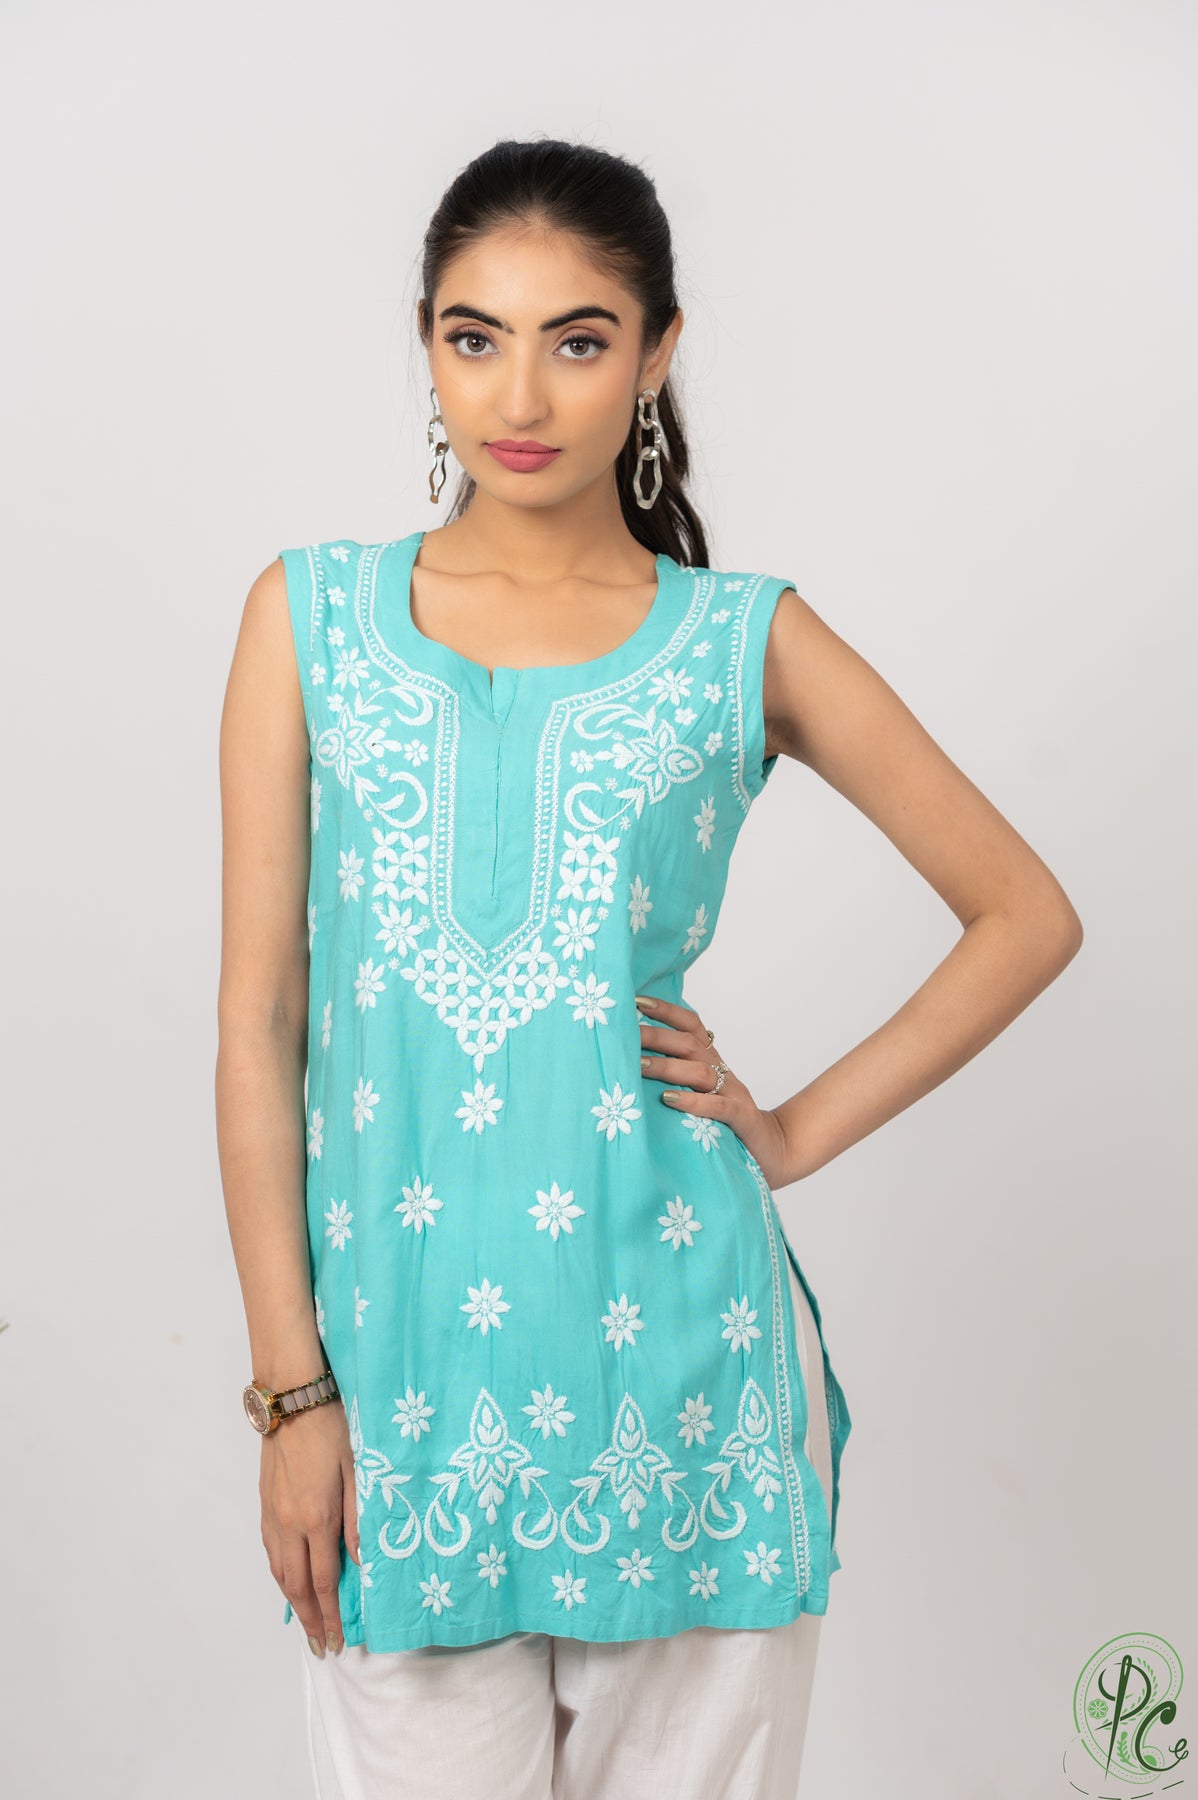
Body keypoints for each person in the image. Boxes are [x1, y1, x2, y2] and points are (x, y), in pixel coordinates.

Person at [216, 137, 1084, 1799]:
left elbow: (1021, 913)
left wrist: (794, 1130)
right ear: (423, 344)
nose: (519, 392)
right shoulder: (306, 621)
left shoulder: (736, 639)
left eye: (578, 338)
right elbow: (257, 1025)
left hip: (685, 1393)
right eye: (473, 336)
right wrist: (289, 1399)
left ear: (657, 351)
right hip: (397, 1409)